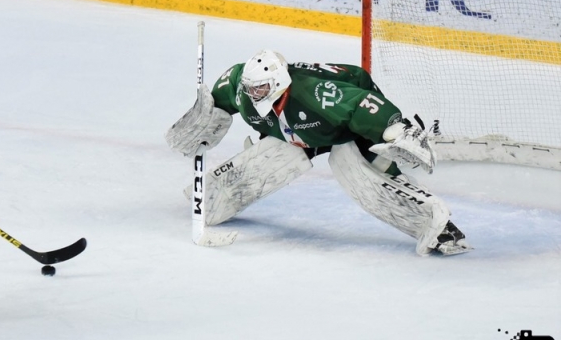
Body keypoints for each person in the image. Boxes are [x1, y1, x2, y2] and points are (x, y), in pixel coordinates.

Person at [165, 49, 470, 256]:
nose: (251, 94)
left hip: (342, 123)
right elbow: (216, 104)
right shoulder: (240, 86)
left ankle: (439, 226)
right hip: (300, 129)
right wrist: (202, 120)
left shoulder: (317, 96)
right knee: (276, 154)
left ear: (279, 83)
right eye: (249, 88)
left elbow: (363, 103)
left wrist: (396, 131)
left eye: (259, 90)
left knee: (360, 168)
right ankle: (216, 194)